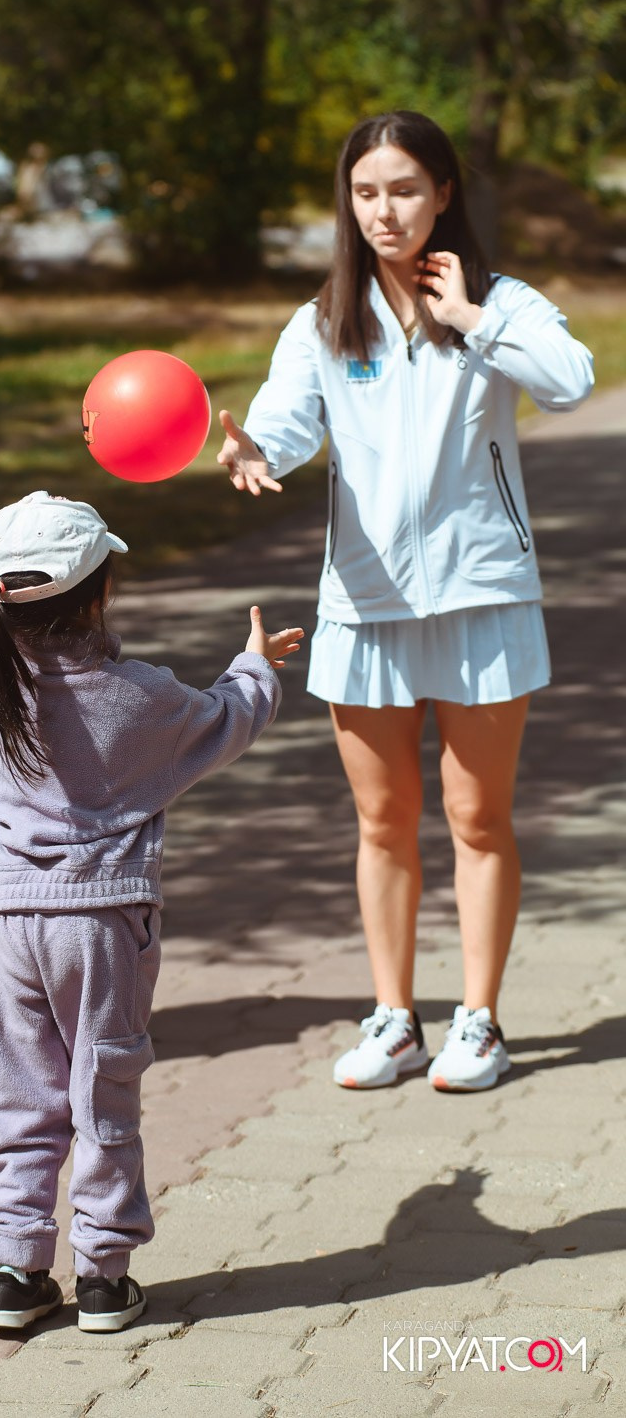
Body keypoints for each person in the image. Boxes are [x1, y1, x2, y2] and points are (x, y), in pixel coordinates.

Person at [217, 110, 594, 1094]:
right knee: (380, 824)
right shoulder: (323, 316)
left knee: (478, 819)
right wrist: (253, 452)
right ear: (347, 202)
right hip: (365, 601)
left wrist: (475, 319)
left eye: (403, 190)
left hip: (480, 592)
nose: (384, 211)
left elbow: (569, 383)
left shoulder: (500, 300)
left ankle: (479, 1019)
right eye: (365, 192)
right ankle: (392, 1020)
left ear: (443, 194)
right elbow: (285, 425)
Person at [0, 491, 302, 1332]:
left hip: (10, 925)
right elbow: (225, 721)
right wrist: (256, 663)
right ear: (100, 594)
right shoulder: (135, 693)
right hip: (101, 924)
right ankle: (103, 1278)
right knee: (102, 1089)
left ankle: (13, 1270)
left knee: (23, 1092)